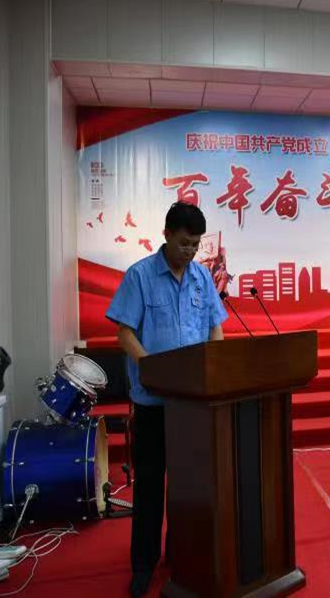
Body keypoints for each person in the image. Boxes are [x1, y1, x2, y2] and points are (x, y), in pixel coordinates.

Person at [106, 202, 228, 597]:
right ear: (166, 235)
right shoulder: (140, 276)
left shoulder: (202, 277)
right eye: (183, 243)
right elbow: (125, 333)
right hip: (153, 404)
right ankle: (143, 564)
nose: (189, 251)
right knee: (149, 488)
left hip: (192, 405)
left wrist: (215, 369)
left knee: (188, 488)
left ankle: (180, 555)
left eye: (195, 245)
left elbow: (215, 328)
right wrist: (152, 368)